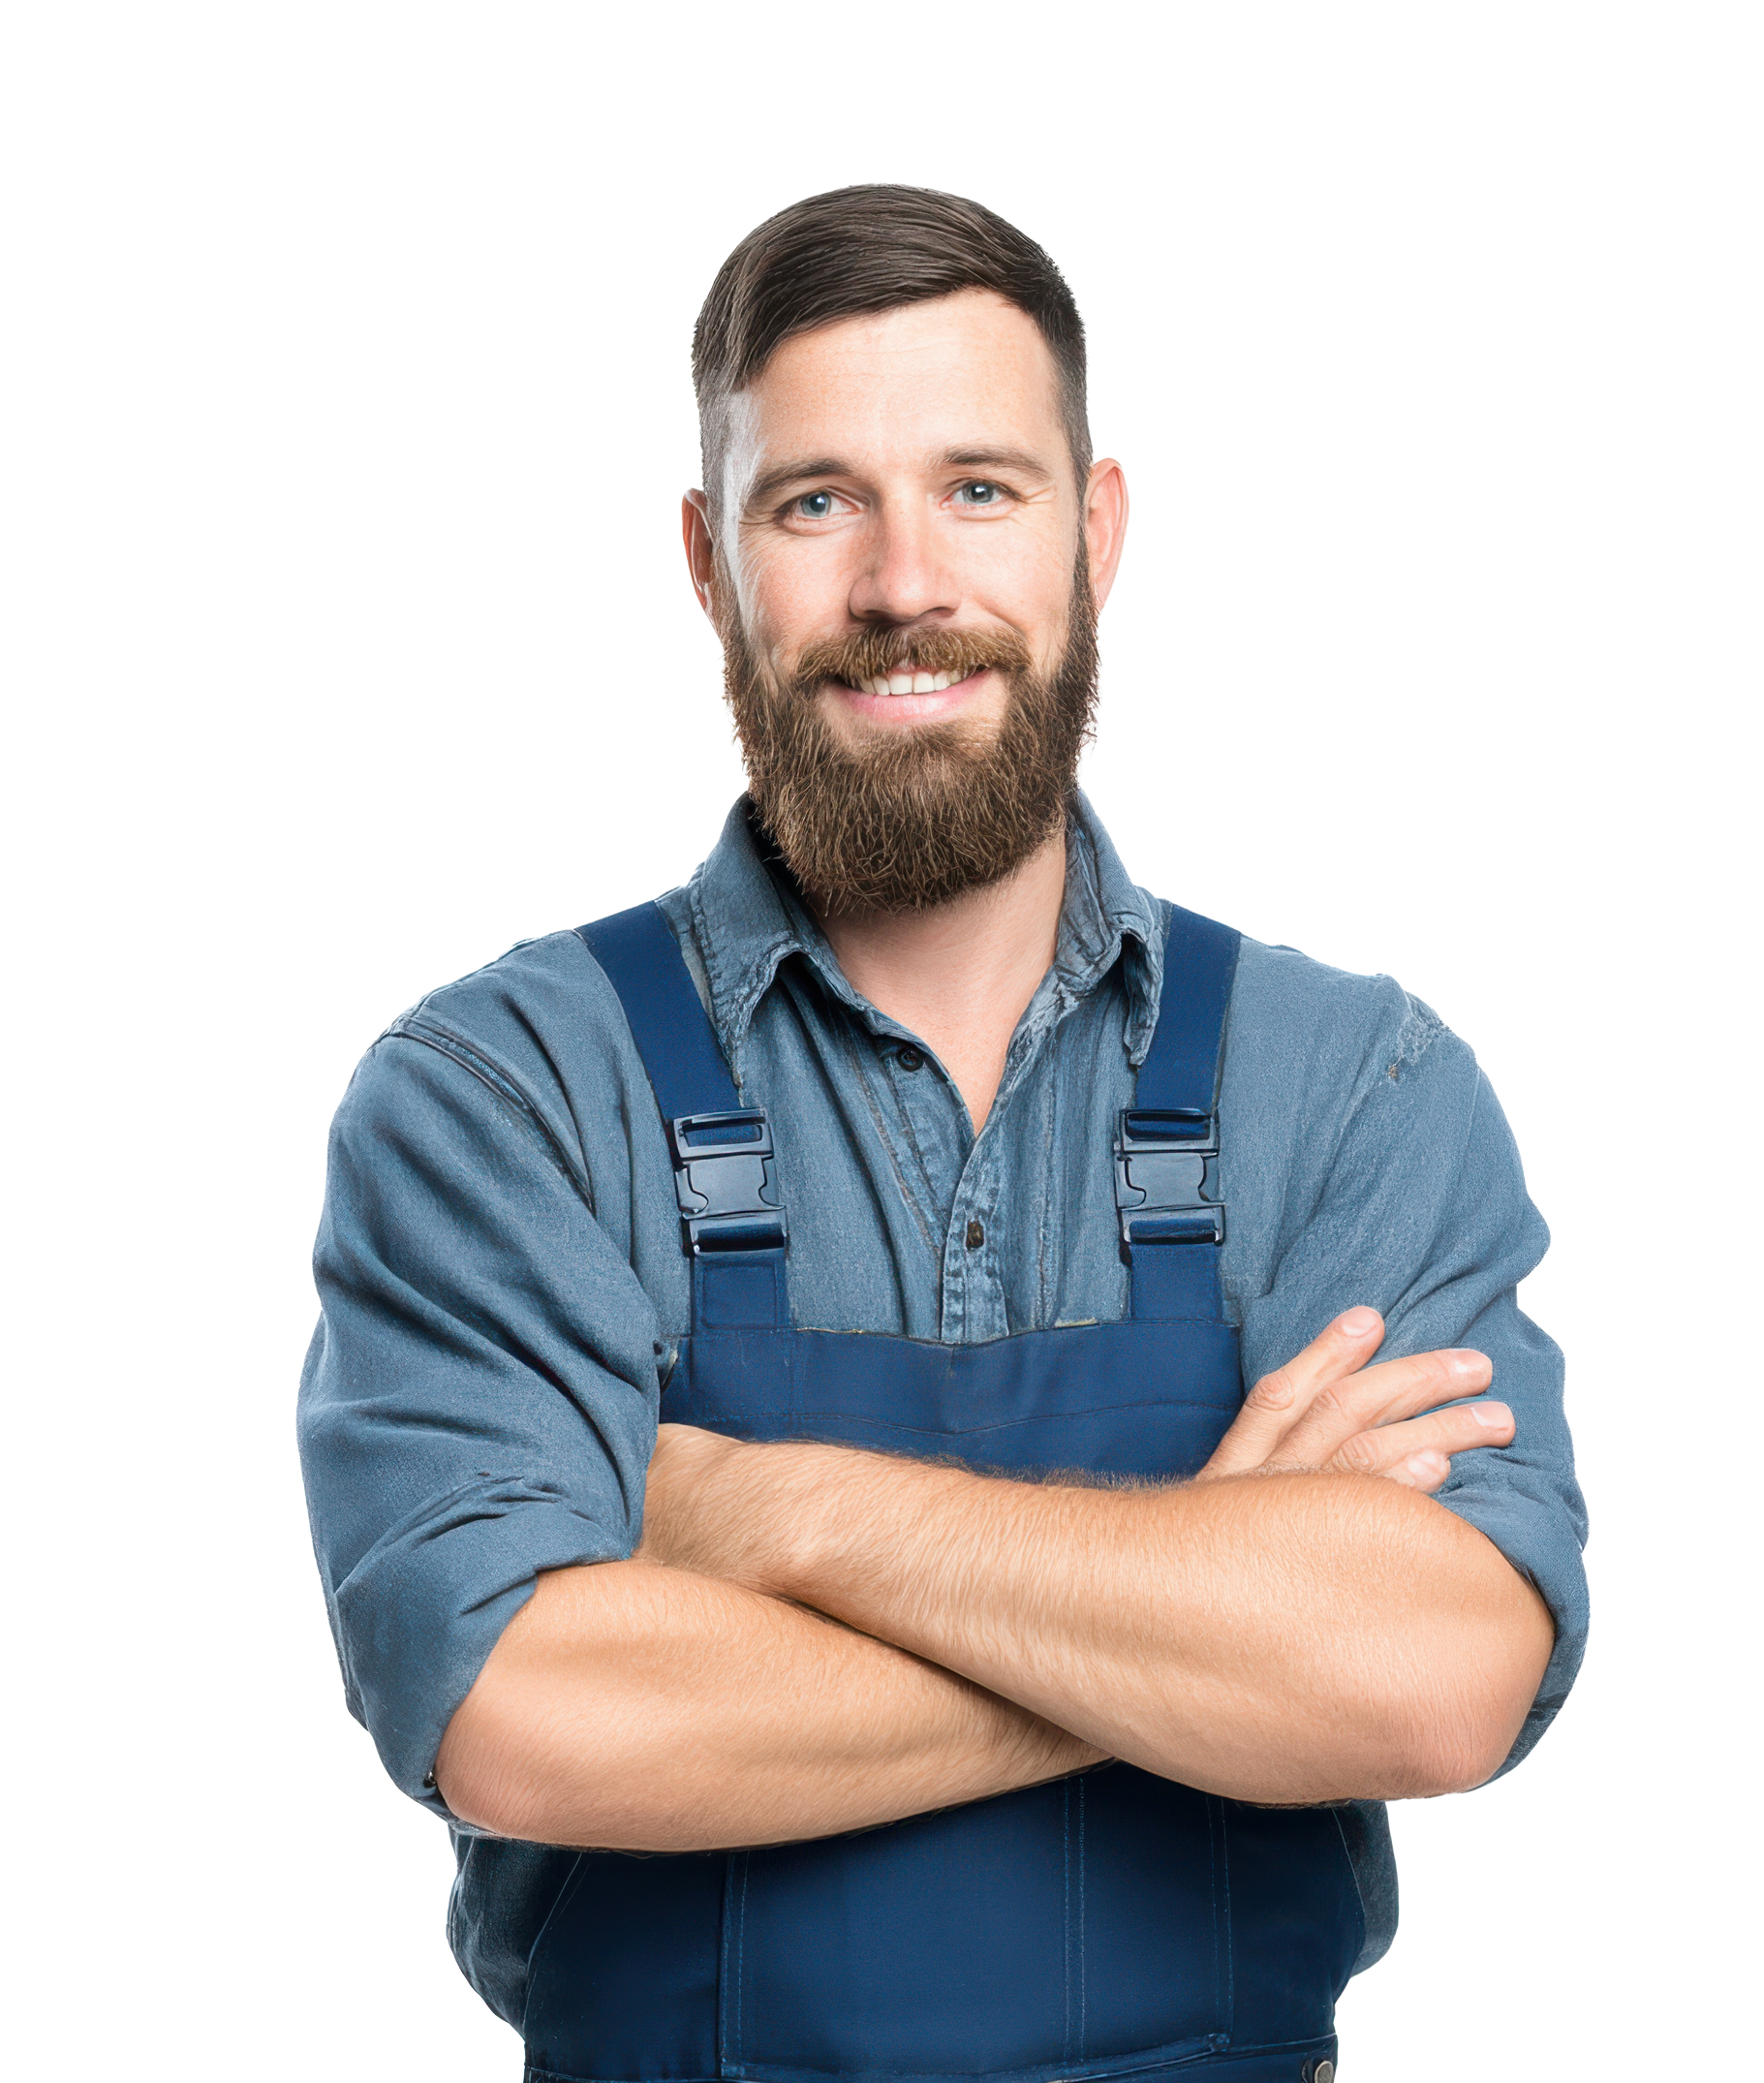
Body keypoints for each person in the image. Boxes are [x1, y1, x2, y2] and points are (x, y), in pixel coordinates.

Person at [296, 183, 1588, 2083]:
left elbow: (1437, 1676)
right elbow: (524, 1712)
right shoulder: (500, 1094)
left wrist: (772, 1512)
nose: (905, 584)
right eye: (816, 501)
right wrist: (1213, 1595)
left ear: (1100, 533)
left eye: (981, 487)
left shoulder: (1355, 1080)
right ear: (708, 564)